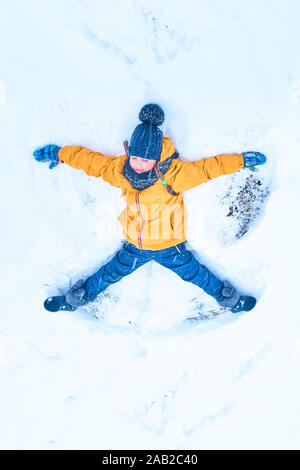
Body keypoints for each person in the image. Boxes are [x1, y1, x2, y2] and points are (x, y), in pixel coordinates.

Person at [33, 103, 266, 314]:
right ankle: (72, 301)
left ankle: (232, 301)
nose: (139, 164)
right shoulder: (120, 170)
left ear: (156, 158)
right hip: (135, 246)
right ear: (128, 151)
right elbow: (92, 162)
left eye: (145, 160)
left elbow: (207, 169)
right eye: (134, 157)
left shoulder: (174, 174)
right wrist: (61, 154)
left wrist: (241, 161)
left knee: (197, 276)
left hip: (170, 247)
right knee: (108, 275)